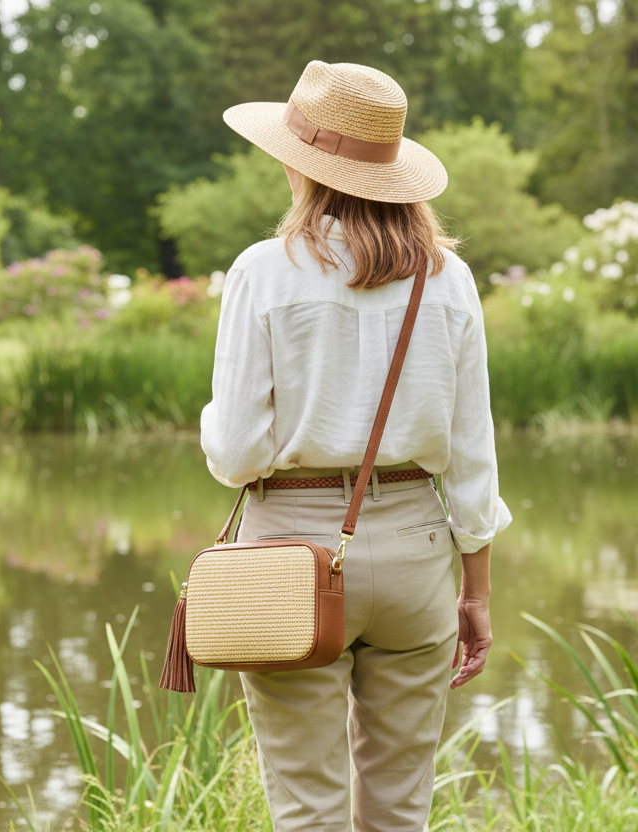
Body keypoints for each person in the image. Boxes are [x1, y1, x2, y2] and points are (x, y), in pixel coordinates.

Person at [199, 61, 512, 832]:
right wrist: (475, 592)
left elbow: (235, 455)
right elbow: (474, 452)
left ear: (297, 164)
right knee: (401, 808)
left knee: (308, 808)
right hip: (417, 549)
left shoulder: (263, 273)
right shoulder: (449, 278)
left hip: (292, 552)